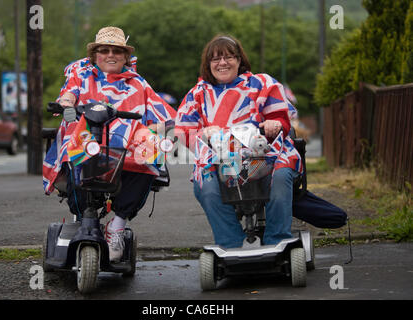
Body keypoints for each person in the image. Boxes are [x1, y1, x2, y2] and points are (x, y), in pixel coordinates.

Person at [43, 27, 176, 261]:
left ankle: (117, 224)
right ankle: (84, 213)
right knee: (75, 142)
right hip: (87, 138)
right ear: (95, 55)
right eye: (104, 50)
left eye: (117, 50)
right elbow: (68, 95)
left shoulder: (138, 83)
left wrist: (154, 130)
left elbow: (164, 116)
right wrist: (66, 105)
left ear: (125, 56)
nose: (110, 55)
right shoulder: (82, 76)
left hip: (125, 144)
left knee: (152, 149)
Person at [175, 35, 303, 248]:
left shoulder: (262, 83)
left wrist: (275, 124)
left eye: (228, 57)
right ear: (208, 65)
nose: (222, 63)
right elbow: (183, 130)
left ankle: (277, 240)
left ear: (239, 60)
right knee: (204, 185)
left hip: (265, 154)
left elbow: (282, 117)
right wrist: (204, 133)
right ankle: (231, 244)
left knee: (281, 175)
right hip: (219, 159)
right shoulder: (197, 94)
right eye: (215, 59)